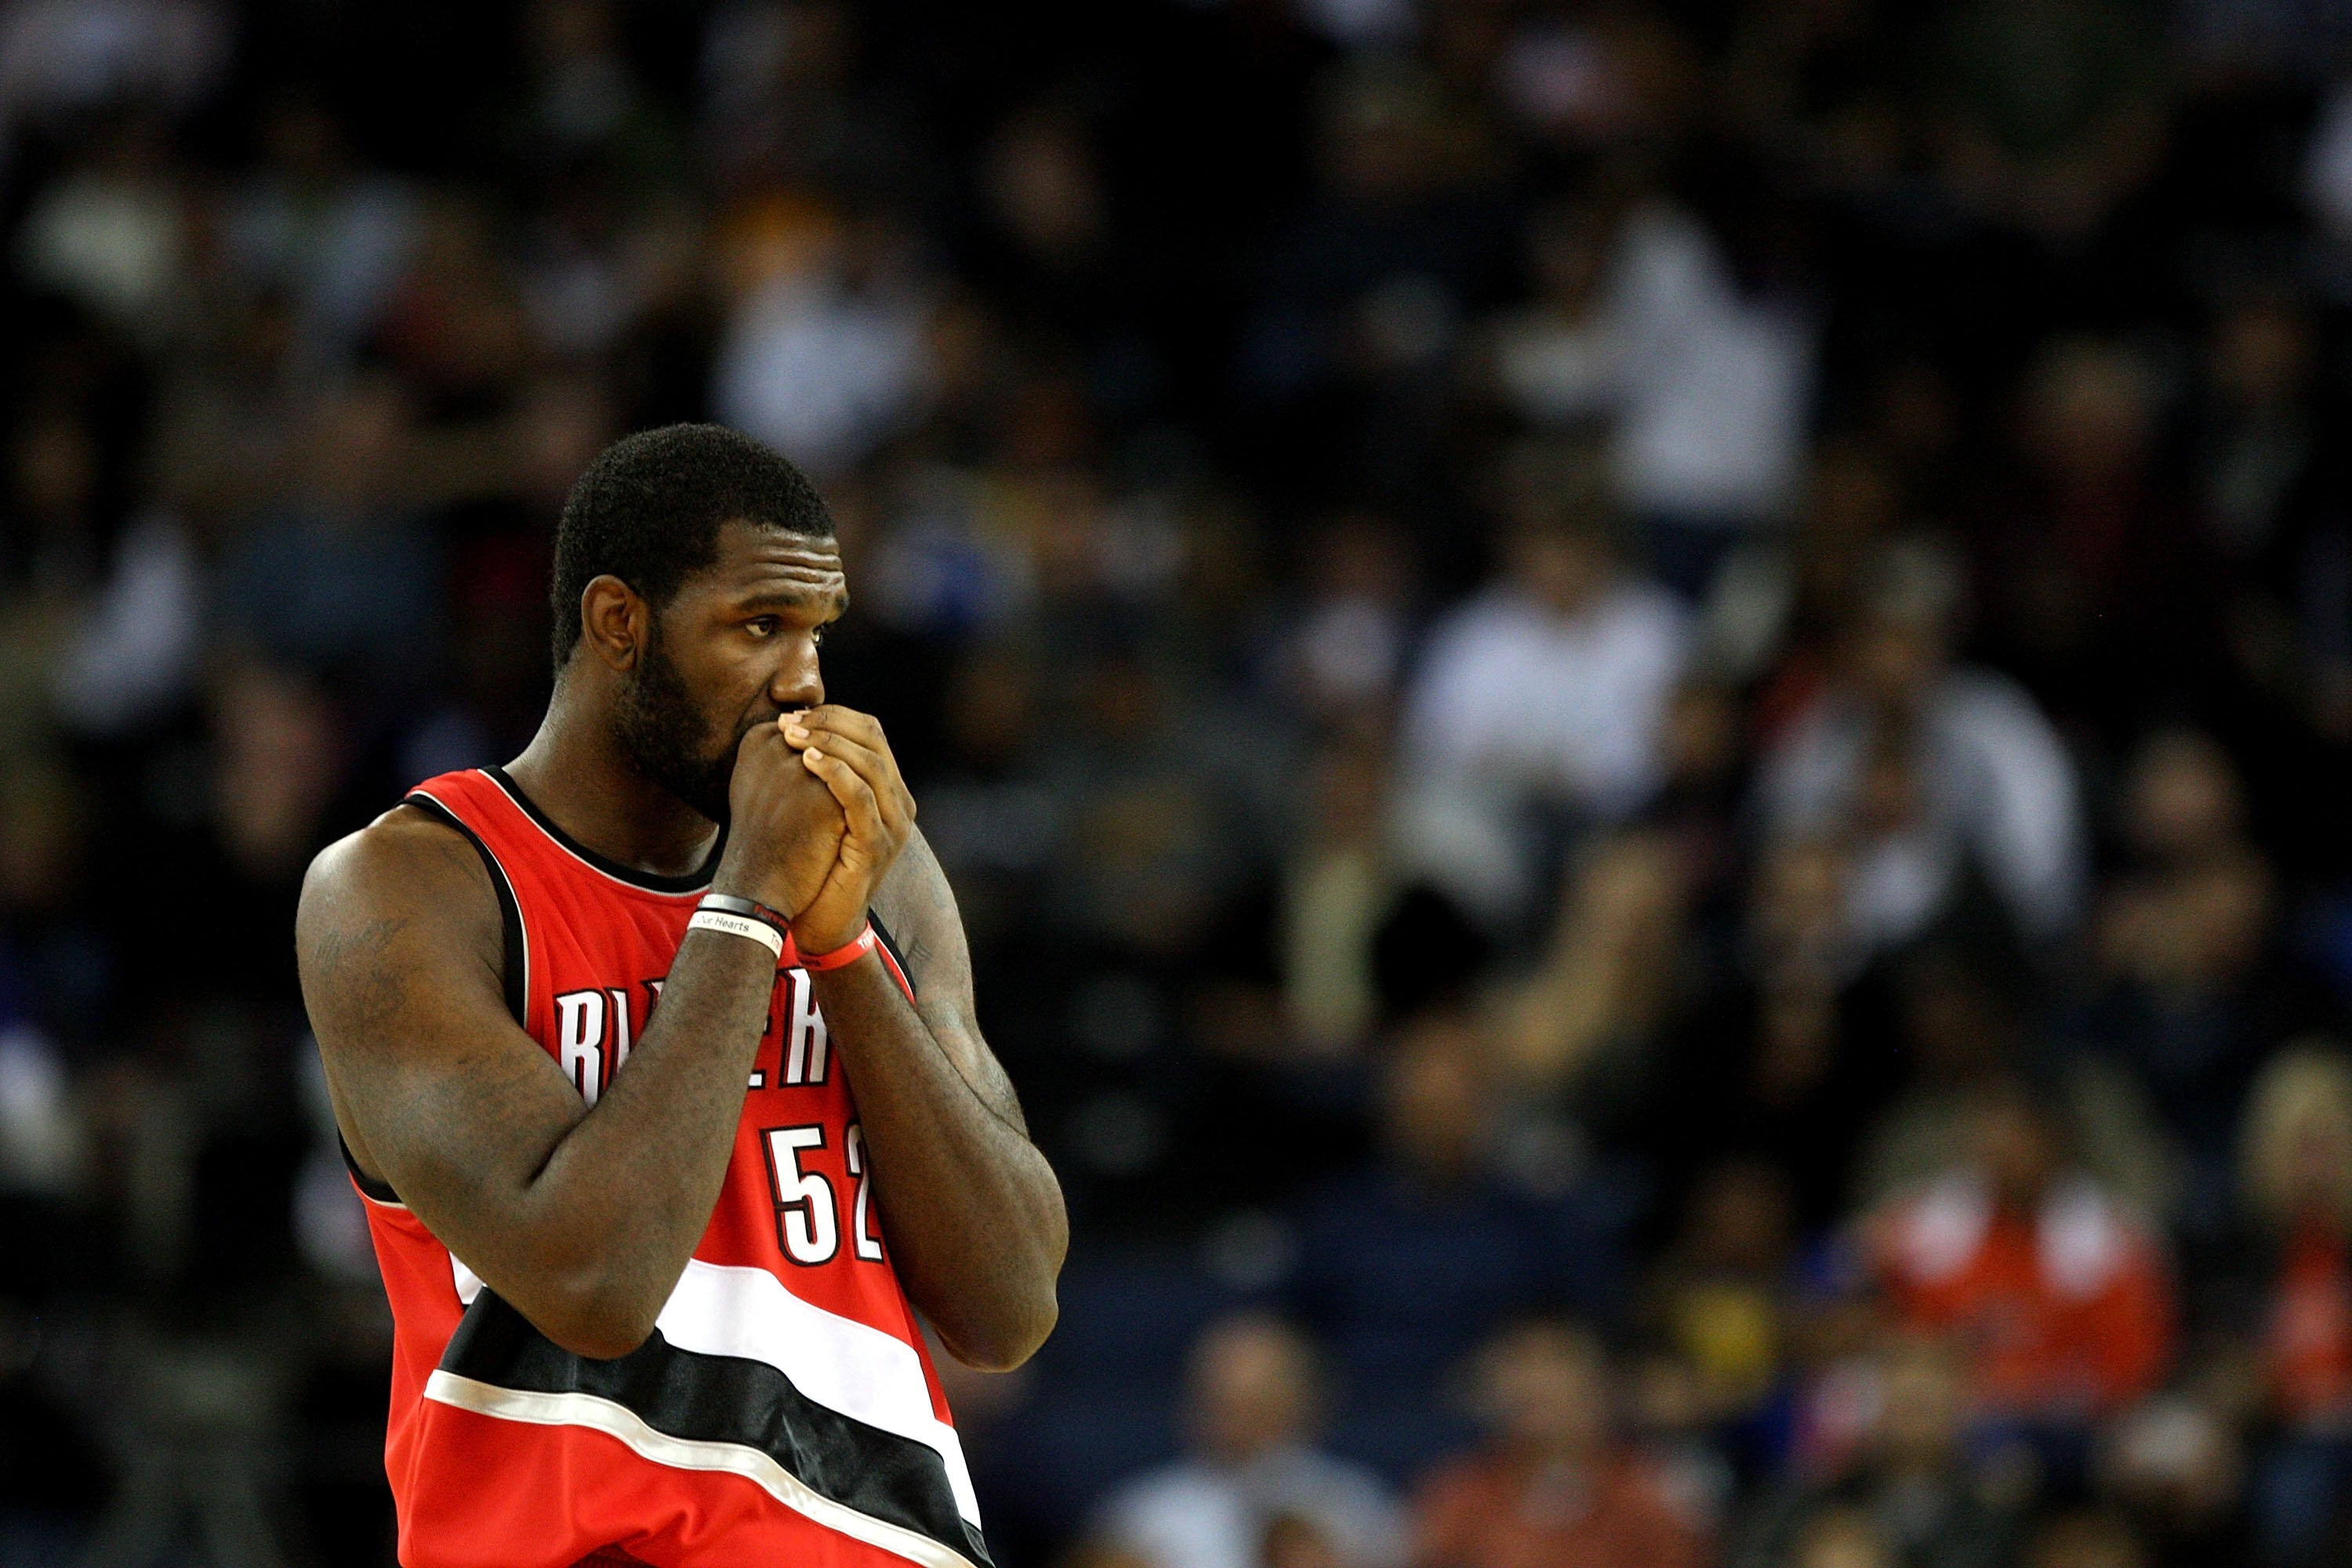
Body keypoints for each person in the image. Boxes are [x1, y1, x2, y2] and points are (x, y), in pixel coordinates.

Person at [294, 424, 1068, 1567]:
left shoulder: (876, 865)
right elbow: (593, 1282)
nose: (803, 683)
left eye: (816, 635)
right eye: (759, 628)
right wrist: (750, 909)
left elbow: (1008, 1311)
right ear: (620, 624)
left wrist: (842, 942)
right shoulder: (411, 886)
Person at [1094, 1315, 1404, 1568]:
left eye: (1254, 1401)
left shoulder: (1353, 1506)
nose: (1233, 1417)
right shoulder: (1143, 1513)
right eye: (1219, 1399)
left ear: (1300, 1402)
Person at [1411, 1318, 1708, 1568]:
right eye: (1529, 1402)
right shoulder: (1458, 1496)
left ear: (1599, 1392)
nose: (1538, 1384)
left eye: (1555, 1398)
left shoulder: (1651, 1497)